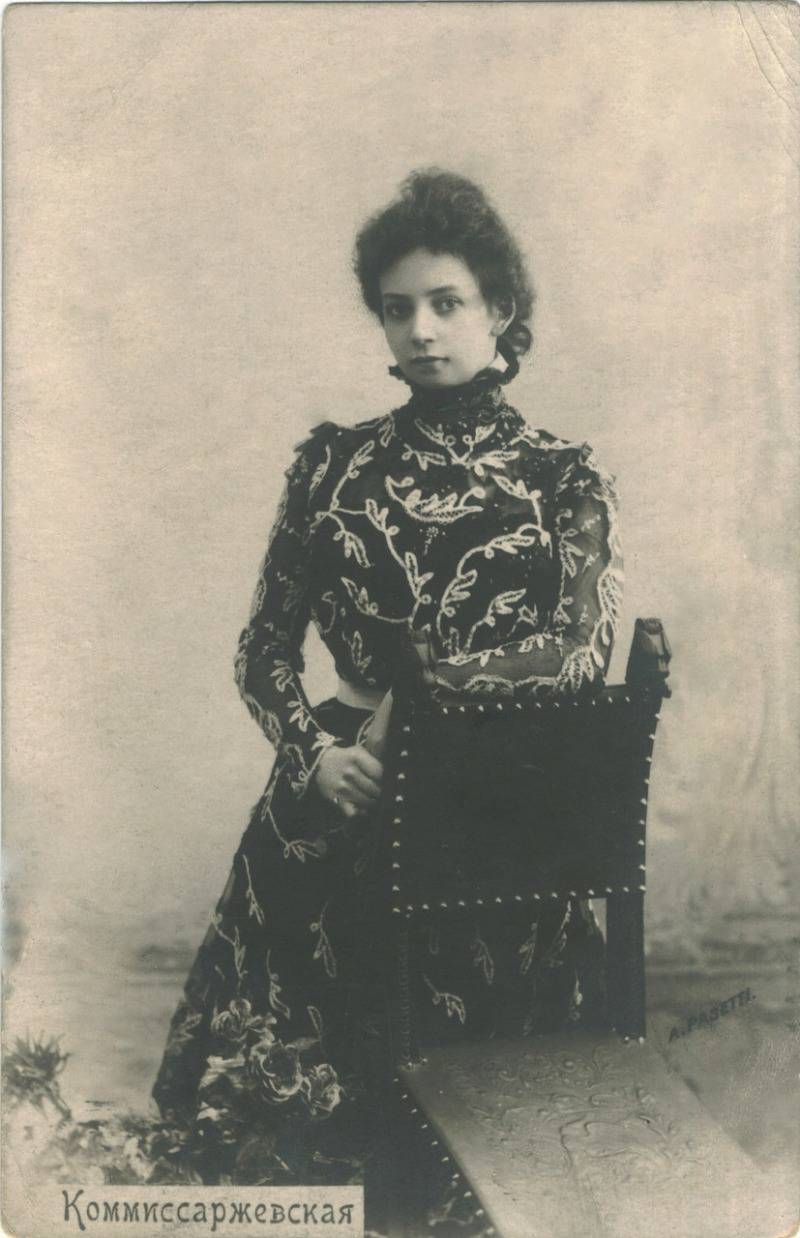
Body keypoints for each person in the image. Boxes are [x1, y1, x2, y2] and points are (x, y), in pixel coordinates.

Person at [151, 169, 623, 1205]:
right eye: (398, 308)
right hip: (346, 783)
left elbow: (576, 653)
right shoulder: (332, 466)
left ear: (500, 307)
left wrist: (419, 697)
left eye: (446, 302)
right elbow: (262, 648)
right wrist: (312, 754)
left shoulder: (562, 479)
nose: (421, 329)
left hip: (493, 807)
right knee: (274, 1111)